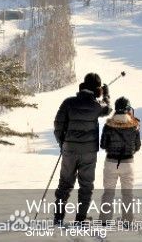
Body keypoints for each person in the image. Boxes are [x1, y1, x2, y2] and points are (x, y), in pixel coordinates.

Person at [53, 73, 112, 225]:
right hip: (89, 153)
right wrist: (106, 95)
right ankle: (80, 218)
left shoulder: (68, 103)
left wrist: (62, 144)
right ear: (97, 90)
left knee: (64, 184)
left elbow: (58, 126)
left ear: (83, 86)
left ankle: (58, 218)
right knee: (86, 185)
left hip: (69, 150)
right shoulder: (97, 106)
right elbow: (108, 108)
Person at [99, 97, 141, 225]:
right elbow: (137, 146)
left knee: (108, 193)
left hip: (111, 162)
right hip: (128, 163)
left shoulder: (108, 125)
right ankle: (127, 220)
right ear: (128, 109)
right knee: (127, 193)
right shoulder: (134, 125)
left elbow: (103, 145)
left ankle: (105, 221)